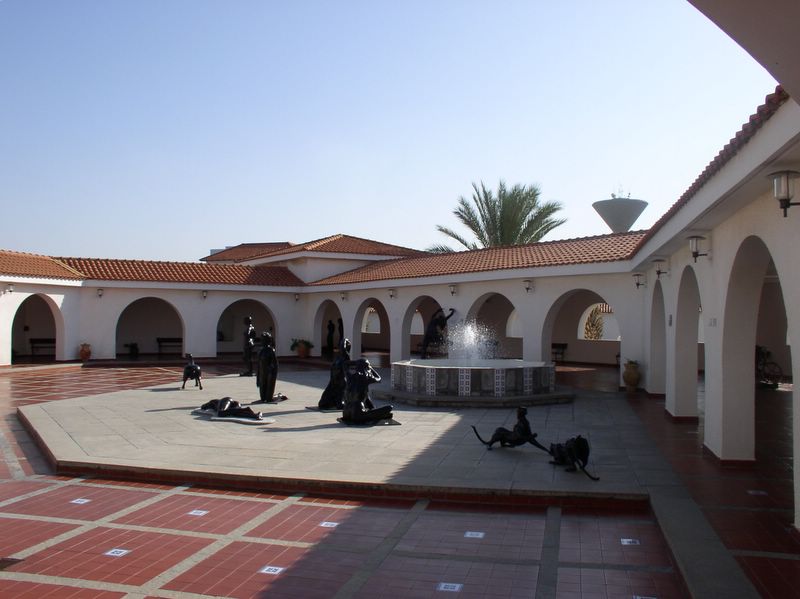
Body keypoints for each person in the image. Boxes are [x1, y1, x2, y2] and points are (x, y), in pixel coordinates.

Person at [341, 358, 393, 424]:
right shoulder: (366, 377)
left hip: (346, 412)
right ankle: (379, 414)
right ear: (366, 367)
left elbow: (345, 364)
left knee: (366, 396)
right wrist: (371, 368)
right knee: (389, 408)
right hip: (357, 413)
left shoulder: (350, 376)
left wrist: (357, 362)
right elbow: (379, 378)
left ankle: (374, 411)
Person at [319, 338, 351, 410]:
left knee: (340, 391)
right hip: (335, 379)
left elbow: (345, 368)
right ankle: (334, 402)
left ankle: (338, 403)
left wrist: (344, 341)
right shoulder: (339, 357)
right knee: (326, 398)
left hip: (339, 379)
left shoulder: (344, 356)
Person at [255, 331, 278, 403]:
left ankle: (270, 397)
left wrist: (271, 371)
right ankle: (264, 398)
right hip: (262, 372)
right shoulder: (260, 351)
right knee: (262, 395)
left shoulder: (271, 351)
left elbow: (274, 363)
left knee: (268, 396)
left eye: (263, 340)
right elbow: (259, 365)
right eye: (261, 339)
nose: (261, 341)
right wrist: (258, 377)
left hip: (269, 373)